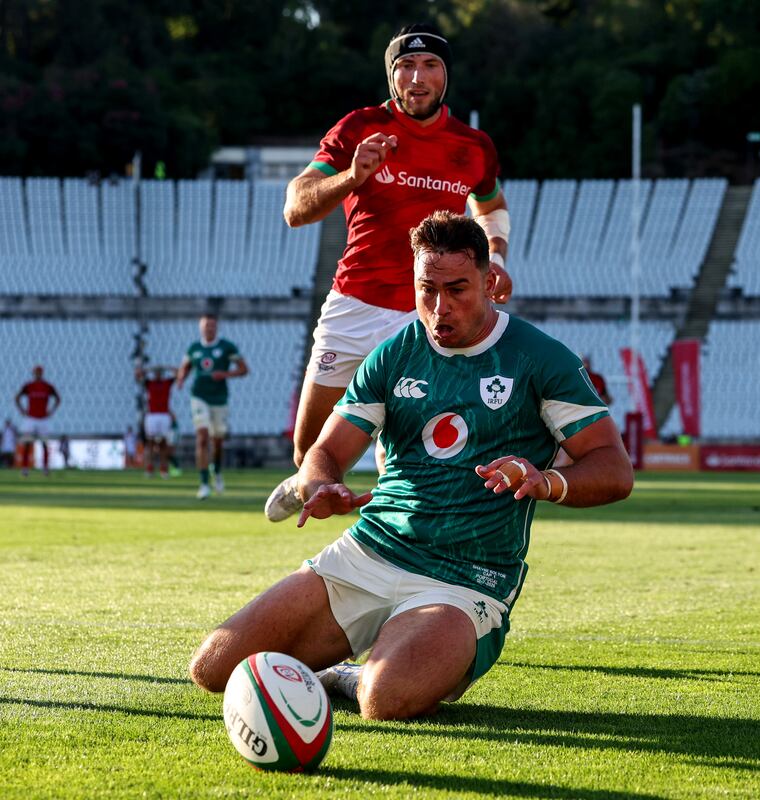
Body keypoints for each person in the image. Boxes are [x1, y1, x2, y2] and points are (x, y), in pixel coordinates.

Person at [190, 212, 633, 721]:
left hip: (468, 575)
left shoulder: (540, 359)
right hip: (371, 551)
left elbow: (613, 470)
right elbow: (326, 451)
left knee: (385, 700)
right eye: (427, 290)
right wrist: (320, 483)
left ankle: (358, 672)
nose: (440, 308)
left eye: (458, 290)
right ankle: (363, 655)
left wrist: (545, 481)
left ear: (490, 282)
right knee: (216, 669)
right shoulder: (394, 353)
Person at [266, 22, 513, 521]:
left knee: (405, 451)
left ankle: (397, 547)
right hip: (354, 304)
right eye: (405, 66)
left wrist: (498, 257)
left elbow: (490, 205)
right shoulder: (357, 128)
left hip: (427, 311)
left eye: (430, 66)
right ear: (391, 76)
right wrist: (353, 176)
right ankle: (307, 482)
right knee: (310, 452)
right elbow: (296, 207)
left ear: (446, 76)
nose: (417, 77)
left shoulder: (472, 145)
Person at [176, 314, 249, 500]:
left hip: (220, 398)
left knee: (217, 442)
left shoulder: (226, 347)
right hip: (199, 396)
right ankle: (203, 484)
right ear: (201, 328)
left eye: (212, 326)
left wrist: (224, 374)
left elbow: (243, 369)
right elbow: (185, 367)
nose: (209, 329)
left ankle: (216, 471)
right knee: (202, 437)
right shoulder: (194, 348)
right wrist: (181, 378)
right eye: (206, 326)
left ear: (216, 328)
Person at [15, 365, 61, 477]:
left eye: (39, 372)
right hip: (31, 418)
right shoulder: (29, 386)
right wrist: (22, 410)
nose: (37, 374)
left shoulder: (48, 386)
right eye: (36, 372)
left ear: (42, 373)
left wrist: (51, 411)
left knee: (45, 443)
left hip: (43, 419)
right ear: (33, 373)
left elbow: (58, 399)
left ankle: (45, 468)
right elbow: (17, 398)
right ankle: (25, 468)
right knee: (27, 443)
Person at [135, 363, 177, 479]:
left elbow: (178, 373)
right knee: (150, 443)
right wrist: (149, 369)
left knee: (163, 443)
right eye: (156, 373)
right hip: (152, 415)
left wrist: (166, 367)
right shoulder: (149, 383)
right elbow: (137, 374)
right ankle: (149, 468)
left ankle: (164, 468)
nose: (158, 374)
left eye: (159, 373)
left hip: (164, 415)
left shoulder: (167, 383)